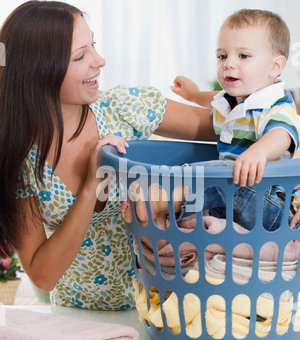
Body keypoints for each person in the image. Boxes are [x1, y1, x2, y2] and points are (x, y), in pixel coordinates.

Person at [0, 1, 216, 311]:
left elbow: (232, 131)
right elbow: (42, 276)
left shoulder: (123, 109)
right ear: (39, 70)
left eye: (94, 46)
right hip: (77, 319)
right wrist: (92, 186)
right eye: (81, 56)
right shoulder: (21, 160)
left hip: (165, 311)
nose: (100, 61)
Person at [121, 9, 300, 233]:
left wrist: (259, 152)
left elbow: (281, 134)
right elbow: (216, 100)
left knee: (220, 172)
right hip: (228, 201)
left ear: (275, 66)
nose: (228, 63)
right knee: (201, 203)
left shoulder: (277, 104)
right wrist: (194, 95)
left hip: (272, 206)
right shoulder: (234, 101)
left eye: (243, 56)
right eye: (222, 56)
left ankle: (164, 197)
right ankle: (158, 228)